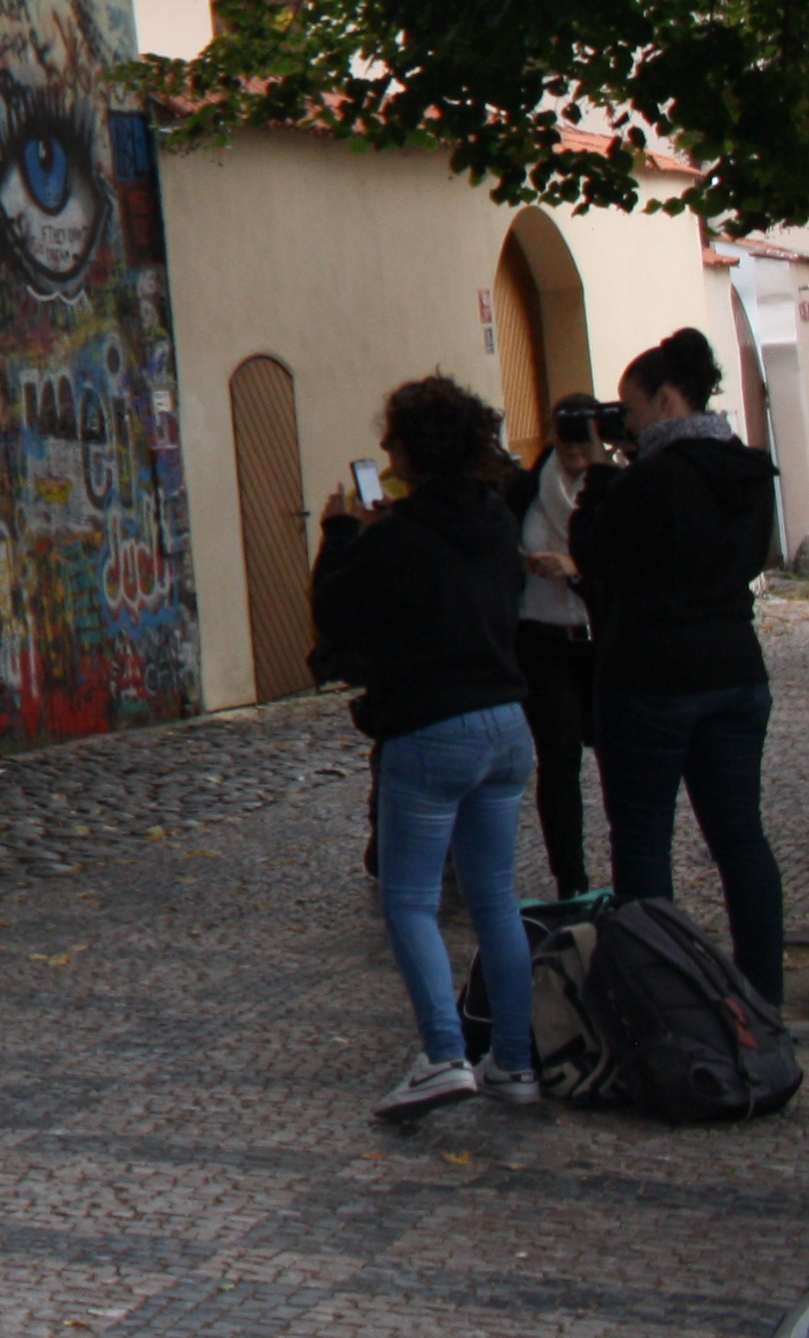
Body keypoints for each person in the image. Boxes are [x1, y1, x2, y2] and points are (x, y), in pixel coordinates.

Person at [312, 373, 539, 1117]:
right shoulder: (495, 518)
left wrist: (342, 534)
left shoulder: (398, 537)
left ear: (408, 450)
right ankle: (514, 1062)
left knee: (409, 900)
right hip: (505, 720)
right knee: (495, 898)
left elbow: (337, 612)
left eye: (393, 441)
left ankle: (444, 1054)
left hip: (431, 727)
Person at [571, 325, 785, 1010]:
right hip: (735, 669)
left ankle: (662, 1002)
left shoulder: (650, 481)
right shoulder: (749, 472)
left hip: (652, 677)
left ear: (665, 400)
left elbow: (596, 557)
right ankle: (762, 997)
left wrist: (599, 478)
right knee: (740, 837)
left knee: (643, 843)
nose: (625, 423)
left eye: (630, 408)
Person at [504, 395, 605, 903]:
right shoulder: (528, 488)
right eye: (565, 439)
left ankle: (634, 867)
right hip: (542, 639)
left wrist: (578, 567)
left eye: (583, 438)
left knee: (617, 753)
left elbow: (630, 562)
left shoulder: (614, 487)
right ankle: (571, 877)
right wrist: (521, 562)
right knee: (559, 756)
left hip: (599, 638)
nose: (574, 451)